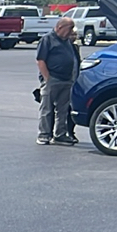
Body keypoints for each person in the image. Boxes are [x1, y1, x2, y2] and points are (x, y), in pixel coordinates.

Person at [36, 17, 81, 145]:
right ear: (60, 27)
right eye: (69, 29)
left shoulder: (67, 41)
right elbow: (40, 60)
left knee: (63, 109)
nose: (71, 32)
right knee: (47, 108)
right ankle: (44, 134)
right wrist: (47, 79)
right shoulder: (47, 39)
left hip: (66, 79)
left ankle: (60, 134)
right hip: (53, 79)